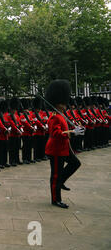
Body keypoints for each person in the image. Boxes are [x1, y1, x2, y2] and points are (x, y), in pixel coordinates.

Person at [45, 79, 83, 209]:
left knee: (75, 163)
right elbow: (56, 134)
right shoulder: (55, 116)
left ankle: (61, 182)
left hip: (64, 148)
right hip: (56, 149)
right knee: (55, 175)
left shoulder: (61, 115)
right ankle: (56, 199)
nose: (66, 103)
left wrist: (76, 130)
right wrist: (72, 132)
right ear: (58, 103)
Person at [6, 97, 22, 166]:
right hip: (12, 135)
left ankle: (17, 159)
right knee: (12, 149)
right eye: (13, 109)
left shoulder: (16, 115)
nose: (14, 110)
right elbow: (12, 124)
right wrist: (17, 130)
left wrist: (20, 128)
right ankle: (12, 161)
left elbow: (19, 123)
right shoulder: (9, 115)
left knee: (17, 148)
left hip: (17, 134)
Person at [0, 100, 10, 169]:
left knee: (5, 150)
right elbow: (0, 125)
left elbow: (8, 123)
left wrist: (8, 128)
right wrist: (5, 129)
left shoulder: (5, 115)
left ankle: (4, 162)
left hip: (5, 136)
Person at [20, 99, 36, 164]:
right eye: (26, 109)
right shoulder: (22, 116)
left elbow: (32, 121)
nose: (27, 110)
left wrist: (34, 126)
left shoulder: (29, 115)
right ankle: (24, 158)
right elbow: (26, 124)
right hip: (25, 133)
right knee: (25, 147)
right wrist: (32, 127)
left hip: (30, 133)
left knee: (29, 146)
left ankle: (29, 158)